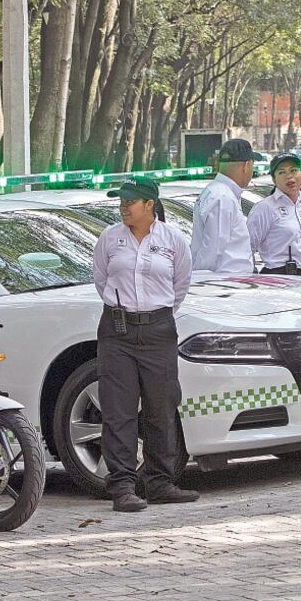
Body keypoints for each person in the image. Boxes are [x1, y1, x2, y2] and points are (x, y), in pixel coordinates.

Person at [93, 177, 196, 513]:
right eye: (121, 201)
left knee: (161, 407)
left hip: (158, 330)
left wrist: (154, 314)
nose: (123, 207)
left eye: (130, 202)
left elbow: (180, 284)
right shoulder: (110, 238)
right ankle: (123, 486)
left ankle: (160, 483)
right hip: (117, 330)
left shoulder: (172, 239)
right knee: (118, 410)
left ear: (149, 204)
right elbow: (101, 280)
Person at [247, 154, 301, 278]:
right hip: (278, 279)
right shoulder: (265, 208)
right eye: (281, 172)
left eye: (293, 170)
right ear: (274, 180)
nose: (289, 176)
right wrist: (252, 277)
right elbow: (248, 246)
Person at [191, 138, 261, 274]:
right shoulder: (222, 197)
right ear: (246, 166)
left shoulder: (218, 192)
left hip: (228, 280)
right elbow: (212, 250)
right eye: (253, 166)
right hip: (226, 281)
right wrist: (200, 280)